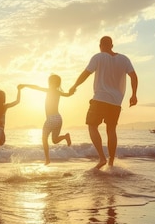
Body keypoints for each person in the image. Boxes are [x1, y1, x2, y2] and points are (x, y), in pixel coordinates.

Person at [69, 36, 138, 169]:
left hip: (100, 99)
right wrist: (134, 95)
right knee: (111, 130)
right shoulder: (124, 59)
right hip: (116, 101)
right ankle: (111, 162)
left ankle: (101, 158)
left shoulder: (98, 57)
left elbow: (86, 73)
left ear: (100, 45)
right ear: (112, 45)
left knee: (92, 126)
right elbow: (133, 76)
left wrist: (74, 85)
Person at [19, 74, 72, 165]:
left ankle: (47, 159)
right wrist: (72, 91)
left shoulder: (49, 90)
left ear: (50, 82)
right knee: (54, 140)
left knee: (44, 138)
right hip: (59, 118)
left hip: (51, 119)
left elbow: (36, 87)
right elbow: (67, 95)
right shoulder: (58, 92)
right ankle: (65, 136)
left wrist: (25, 85)